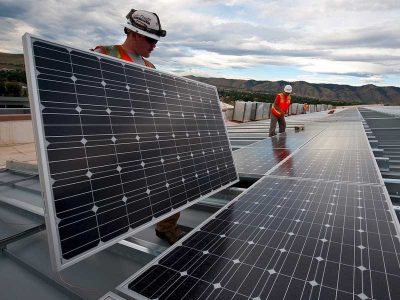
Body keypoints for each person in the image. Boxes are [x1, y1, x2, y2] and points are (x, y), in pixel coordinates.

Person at [93, 9, 184, 245]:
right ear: (133, 33)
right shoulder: (104, 54)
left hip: (141, 137)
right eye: (150, 39)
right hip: (111, 141)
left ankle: (166, 227)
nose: (154, 45)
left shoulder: (149, 67)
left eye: (156, 40)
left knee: (174, 174)